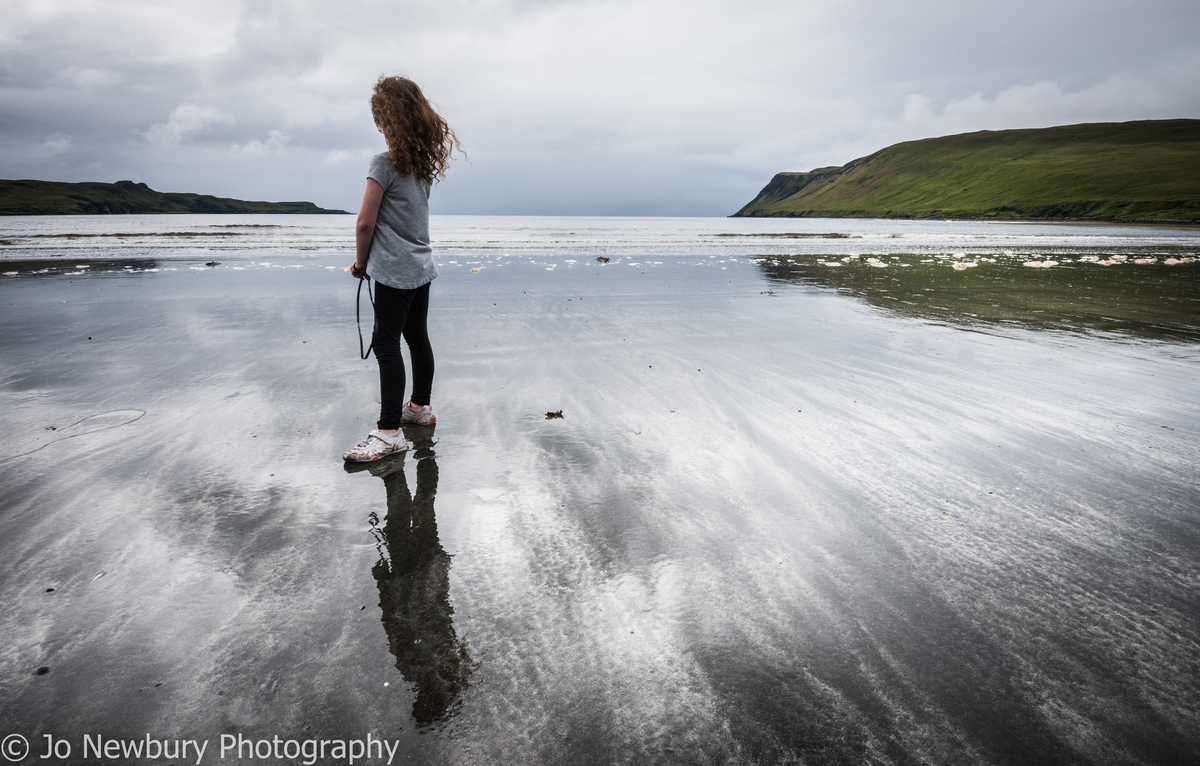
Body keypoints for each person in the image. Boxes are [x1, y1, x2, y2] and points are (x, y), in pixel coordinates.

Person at [343, 76, 463, 462]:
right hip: (421, 266)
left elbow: (365, 221)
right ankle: (420, 408)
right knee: (416, 338)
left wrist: (361, 263)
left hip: (394, 270)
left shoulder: (384, 163)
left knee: (385, 343)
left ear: (387, 118)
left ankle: (389, 431)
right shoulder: (420, 165)